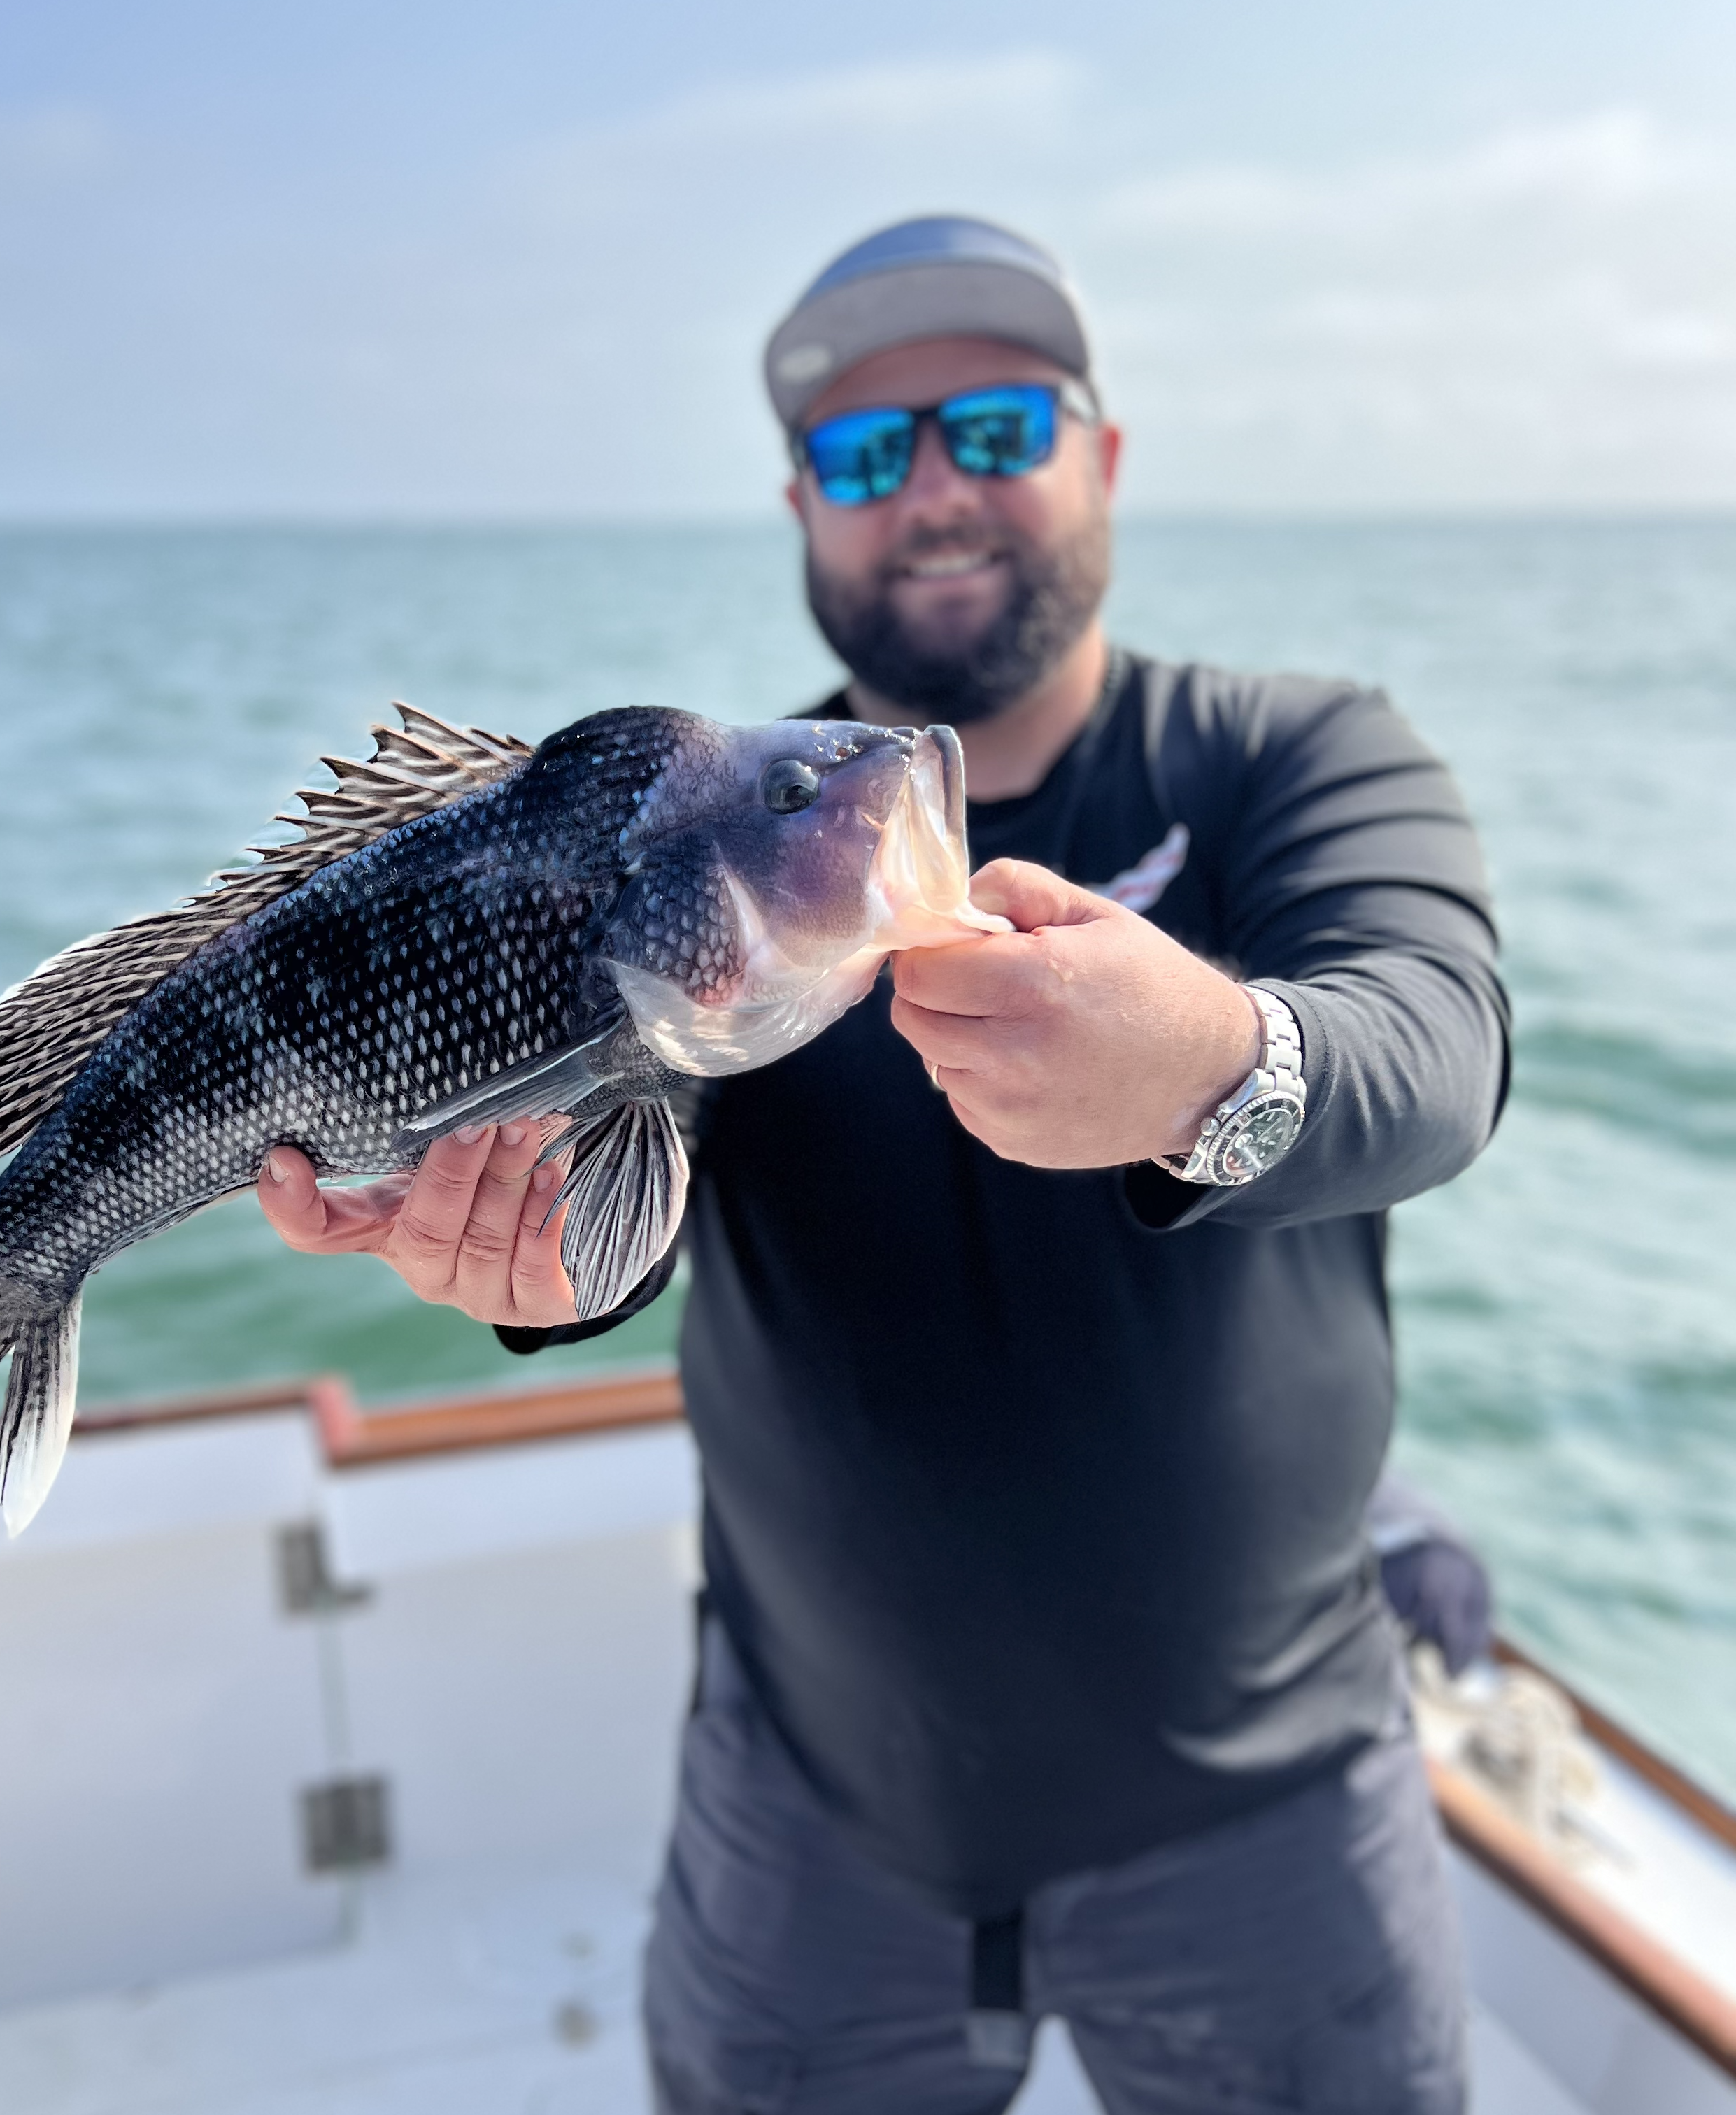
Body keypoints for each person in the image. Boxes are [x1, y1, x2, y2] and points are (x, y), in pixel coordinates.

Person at [259, 215, 1509, 2114]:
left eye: (994, 428)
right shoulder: (709, 850)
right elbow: (621, 1201)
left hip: (1275, 1816)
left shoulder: (1297, 757)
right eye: (861, 455)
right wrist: (525, 1269)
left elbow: (1435, 1051)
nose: (930, 491)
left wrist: (1210, 1065)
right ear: (801, 508)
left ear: (1103, 457)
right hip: (810, 1819)